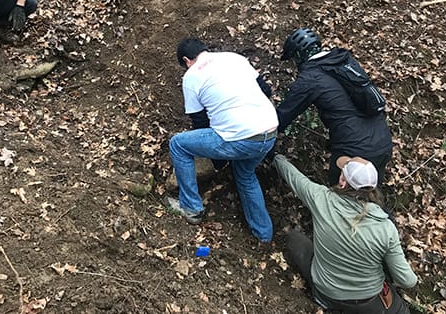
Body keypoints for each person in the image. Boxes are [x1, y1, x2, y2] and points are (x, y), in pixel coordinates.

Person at [165, 38, 279, 242]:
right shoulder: (234, 58)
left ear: (186, 60)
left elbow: (200, 122)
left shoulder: (191, 76)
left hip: (240, 138)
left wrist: (217, 160)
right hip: (270, 131)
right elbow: (266, 90)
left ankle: (191, 208)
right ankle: (264, 236)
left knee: (178, 144)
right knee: (245, 175)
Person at [272, 154, 417, 313]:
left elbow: (295, 178)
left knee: (295, 238)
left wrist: (277, 158)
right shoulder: (386, 228)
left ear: (343, 182)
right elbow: (407, 280)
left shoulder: (321, 199)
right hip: (367, 302)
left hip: (326, 292)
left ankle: (324, 302)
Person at [277, 27, 392, 186]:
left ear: (298, 55)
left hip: (355, 151)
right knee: (371, 200)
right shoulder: (343, 61)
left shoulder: (309, 79)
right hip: (382, 141)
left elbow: (283, 116)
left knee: (341, 202)